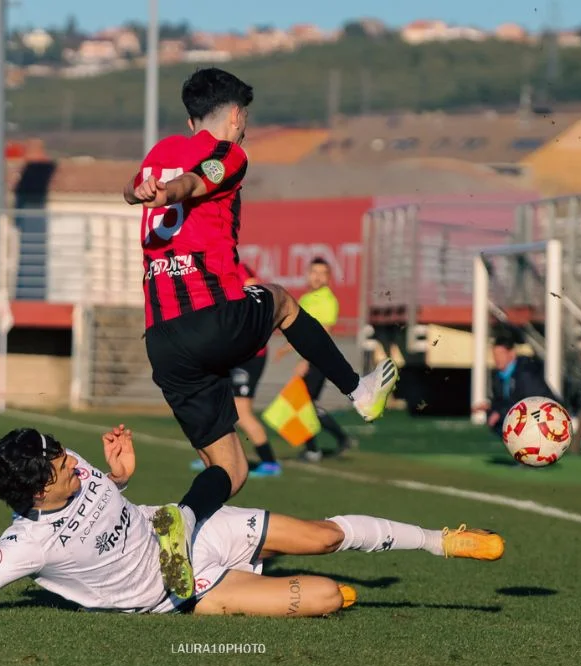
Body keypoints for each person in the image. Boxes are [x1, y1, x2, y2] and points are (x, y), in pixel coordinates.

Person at [124, 68, 399, 599]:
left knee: (230, 466)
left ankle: (179, 524)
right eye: (244, 116)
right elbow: (195, 182)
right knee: (278, 299)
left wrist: (143, 193)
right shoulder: (230, 153)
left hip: (162, 340)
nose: (245, 126)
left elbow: (150, 187)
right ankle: (359, 391)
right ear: (233, 115)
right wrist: (169, 192)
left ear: (188, 118)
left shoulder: (158, 151)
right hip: (207, 317)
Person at [0, 425, 504, 619]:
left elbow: (104, 506)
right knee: (330, 598)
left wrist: (121, 476)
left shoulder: (73, 466)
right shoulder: (24, 542)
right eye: (59, 465)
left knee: (324, 537)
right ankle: (260, 573)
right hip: (180, 588)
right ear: (36, 490)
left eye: (60, 452)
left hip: (181, 527)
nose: (70, 462)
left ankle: (438, 541)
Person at [190, 263, 281, 477]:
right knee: (216, 404)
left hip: (249, 354)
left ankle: (270, 463)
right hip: (228, 353)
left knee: (241, 411)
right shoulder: (208, 272)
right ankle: (218, 458)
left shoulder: (238, 270)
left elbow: (255, 304)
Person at [275, 257, 357, 462]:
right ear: (308, 274)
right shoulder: (305, 299)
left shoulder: (327, 300)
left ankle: (315, 449)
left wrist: (307, 360)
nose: (318, 276)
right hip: (308, 358)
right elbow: (299, 333)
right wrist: (285, 350)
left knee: (302, 405)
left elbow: (323, 334)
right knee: (305, 405)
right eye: (314, 272)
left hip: (317, 359)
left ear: (329, 277)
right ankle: (338, 440)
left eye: (323, 273)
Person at [472, 325, 554, 436]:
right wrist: (490, 407)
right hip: (524, 420)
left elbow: (530, 403)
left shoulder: (526, 373)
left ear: (512, 353)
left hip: (546, 419)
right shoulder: (498, 376)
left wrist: (500, 413)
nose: (497, 359)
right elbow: (503, 401)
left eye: (501, 354)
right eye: (495, 355)